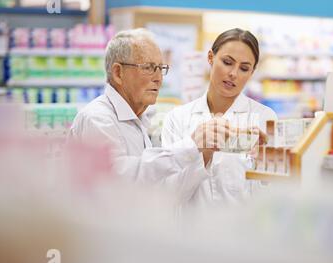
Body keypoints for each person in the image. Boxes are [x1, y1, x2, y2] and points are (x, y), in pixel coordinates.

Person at [68, 28, 231, 201]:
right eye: (148, 68)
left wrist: (205, 154)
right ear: (118, 73)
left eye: (161, 68)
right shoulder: (97, 119)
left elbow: (160, 195)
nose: (158, 78)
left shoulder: (137, 121)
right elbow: (118, 181)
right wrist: (191, 146)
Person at [161, 28, 278, 210]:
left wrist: (265, 168)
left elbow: (274, 197)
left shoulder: (264, 118)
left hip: (244, 234)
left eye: (244, 68)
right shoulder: (178, 118)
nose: (233, 73)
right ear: (210, 57)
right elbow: (169, 194)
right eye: (227, 62)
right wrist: (203, 154)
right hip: (191, 234)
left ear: (252, 72)